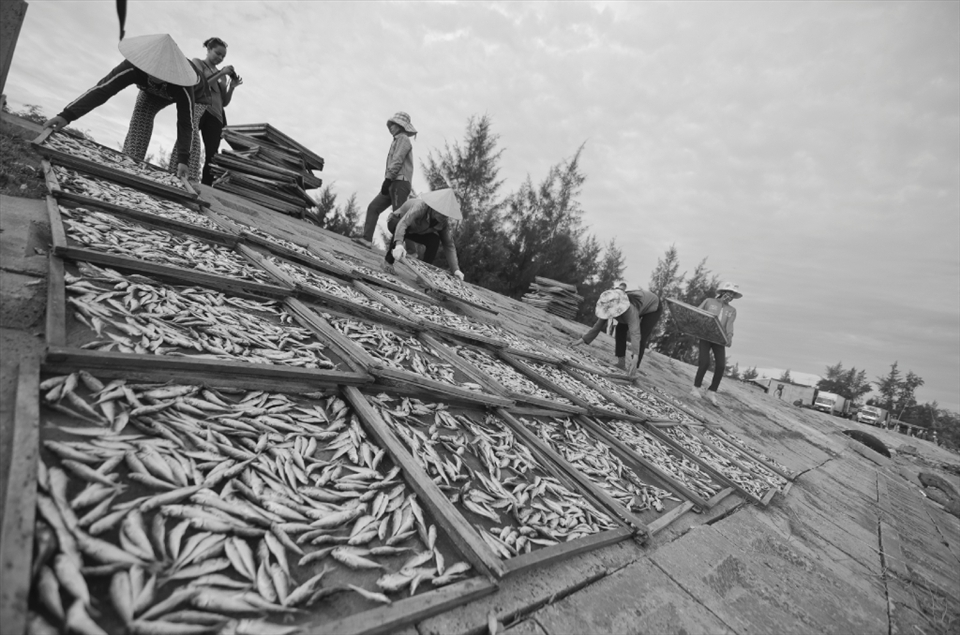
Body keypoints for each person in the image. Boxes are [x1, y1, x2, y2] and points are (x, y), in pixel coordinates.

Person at [43, 34, 199, 179]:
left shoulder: (184, 83)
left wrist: (183, 158)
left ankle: (183, 177)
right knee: (141, 114)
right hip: (150, 91)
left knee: (193, 128)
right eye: (153, 71)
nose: (156, 74)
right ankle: (130, 165)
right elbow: (103, 89)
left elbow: (186, 123)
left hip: (198, 97)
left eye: (162, 73)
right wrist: (66, 115)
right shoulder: (133, 67)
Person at [571, 287, 662, 377]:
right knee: (620, 329)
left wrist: (635, 356)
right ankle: (621, 363)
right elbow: (597, 327)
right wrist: (582, 340)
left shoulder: (629, 310)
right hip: (641, 304)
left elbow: (635, 333)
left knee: (641, 336)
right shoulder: (609, 306)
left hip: (653, 306)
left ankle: (633, 367)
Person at [384, 189, 464, 279]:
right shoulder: (421, 207)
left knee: (434, 240)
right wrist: (399, 244)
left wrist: (455, 269)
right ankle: (388, 262)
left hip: (414, 231)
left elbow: (448, 245)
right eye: (442, 213)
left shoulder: (443, 223)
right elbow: (403, 223)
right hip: (396, 222)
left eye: (446, 215)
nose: (444, 216)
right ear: (434, 207)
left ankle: (422, 275)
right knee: (401, 227)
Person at [193, 37, 241, 185]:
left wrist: (232, 86)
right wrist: (221, 73)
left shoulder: (223, 77)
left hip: (216, 116)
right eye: (218, 53)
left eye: (223, 56)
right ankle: (184, 175)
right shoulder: (197, 63)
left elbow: (224, 102)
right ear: (208, 49)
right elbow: (199, 86)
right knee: (191, 143)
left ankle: (206, 186)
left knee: (212, 154)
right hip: (200, 108)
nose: (220, 58)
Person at [363, 112, 417, 241]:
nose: (391, 126)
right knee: (373, 207)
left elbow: (398, 160)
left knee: (400, 217)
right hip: (393, 181)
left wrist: (388, 179)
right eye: (391, 124)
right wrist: (388, 180)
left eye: (394, 124)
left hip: (400, 183)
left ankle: (411, 251)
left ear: (400, 126)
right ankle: (366, 239)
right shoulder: (397, 140)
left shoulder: (403, 139)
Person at [690, 281, 741, 406]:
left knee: (721, 366)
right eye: (728, 293)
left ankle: (711, 391)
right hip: (705, 335)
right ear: (722, 292)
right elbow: (697, 313)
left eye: (732, 295)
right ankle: (695, 387)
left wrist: (729, 337)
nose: (729, 296)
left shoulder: (732, 310)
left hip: (719, 338)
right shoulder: (709, 301)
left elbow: (729, 325)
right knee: (705, 362)